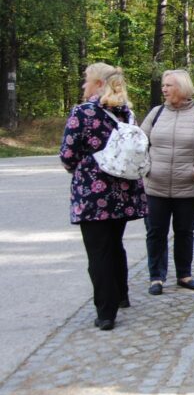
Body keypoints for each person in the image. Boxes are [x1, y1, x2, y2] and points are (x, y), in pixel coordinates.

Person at [60, 63, 148, 331]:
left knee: (98, 251)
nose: (84, 86)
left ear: (99, 84)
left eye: (87, 81)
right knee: (114, 242)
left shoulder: (83, 112)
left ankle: (105, 311)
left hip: (93, 191)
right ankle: (121, 294)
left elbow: (68, 154)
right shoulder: (125, 113)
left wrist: (80, 169)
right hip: (123, 190)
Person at [140, 69, 194, 296]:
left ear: (182, 88)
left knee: (184, 231)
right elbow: (138, 143)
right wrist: (146, 168)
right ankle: (156, 277)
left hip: (189, 186)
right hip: (155, 185)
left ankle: (184, 274)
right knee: (155, 232)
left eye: (169, 85)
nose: (164, 89)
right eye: (164, 85)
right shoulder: (156, 113)